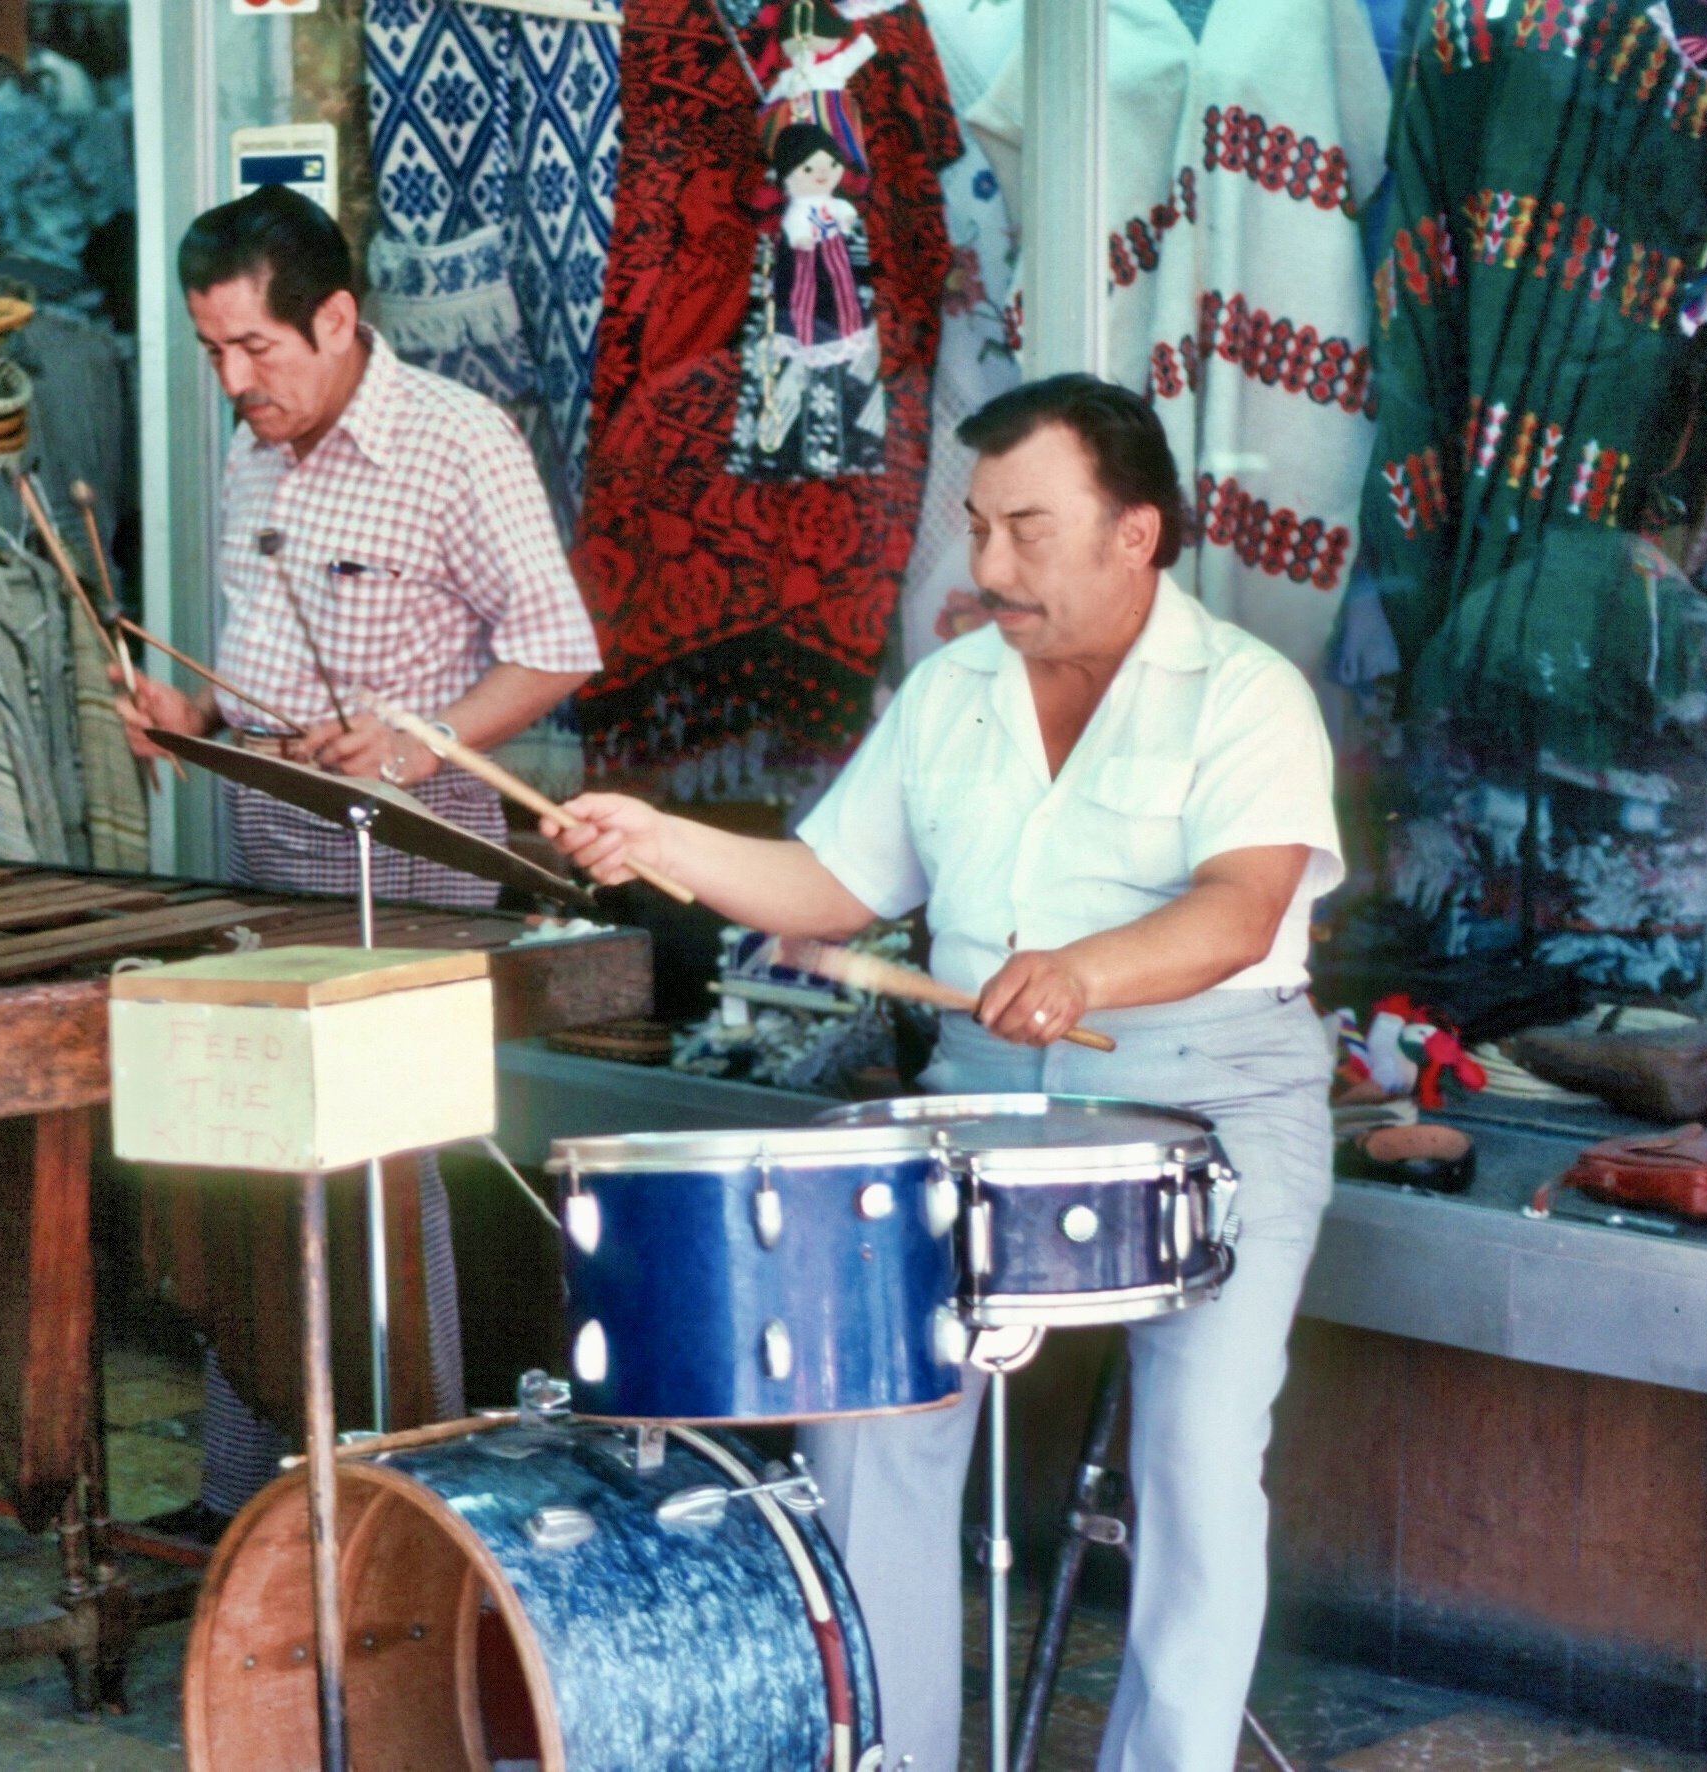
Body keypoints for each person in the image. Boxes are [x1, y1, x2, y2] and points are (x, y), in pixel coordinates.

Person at [546, 374, 1342, 1771]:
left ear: (1134, 534)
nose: (986, 569)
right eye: (976, 528)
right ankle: (889, 1755)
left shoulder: (1243, 692)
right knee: (868, 1422)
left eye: (1027, 531)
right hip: (981, 1085)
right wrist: (661, 843)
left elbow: (1240, 906)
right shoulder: (952, 689)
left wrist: (1089, 969)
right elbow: (826, 883)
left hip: (1213, 1086)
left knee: (1200, 1465)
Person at [115, 184, 602, 1533]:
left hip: (413, 863)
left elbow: (560, 647)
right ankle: (242, 1497)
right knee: (250, 1159)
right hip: (264, 844)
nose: (232, 380)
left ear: (336, 319)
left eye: (255, 348)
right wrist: (195, 718)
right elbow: (255, 646)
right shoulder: (254, 444)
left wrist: (423, 739)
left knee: (391, 1177)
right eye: (211, 348)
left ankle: (406, 1498)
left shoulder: (459, 443)